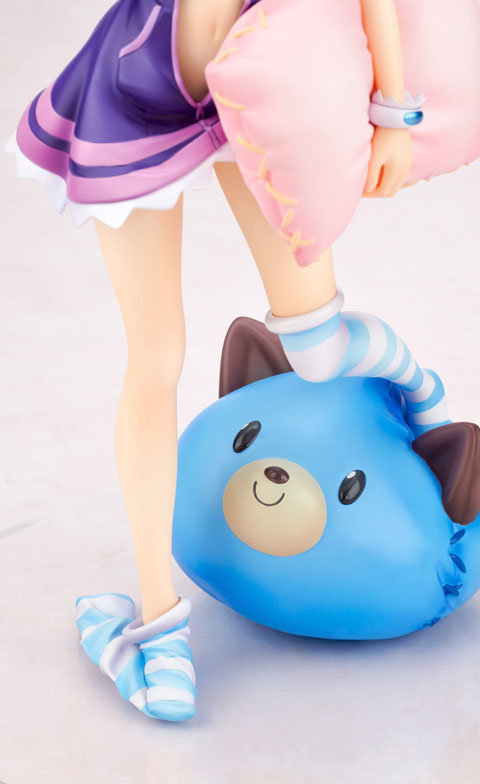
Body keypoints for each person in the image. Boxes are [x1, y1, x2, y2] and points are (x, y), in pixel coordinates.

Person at [5, 0, 455, 721]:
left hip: (256, 85)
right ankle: (158, 625)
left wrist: (392, 112)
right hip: (139, 90)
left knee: (318, 342)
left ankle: (418, 385)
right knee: (157, 356)